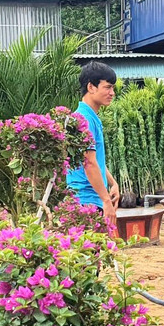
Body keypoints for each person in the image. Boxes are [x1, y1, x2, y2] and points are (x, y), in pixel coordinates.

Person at [66, 62, 120, 228]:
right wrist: (106, 201)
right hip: (86, 199)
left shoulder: (87, 116)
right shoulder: (85, 119)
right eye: (107, 87)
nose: (112, 93)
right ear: (91, 87)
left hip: (88, 198)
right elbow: (88, 163)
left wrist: (112, 183)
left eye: (113, 88)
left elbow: (95, 159)